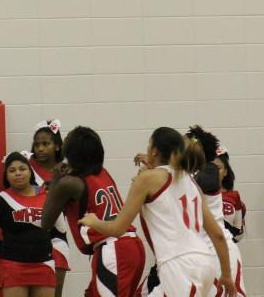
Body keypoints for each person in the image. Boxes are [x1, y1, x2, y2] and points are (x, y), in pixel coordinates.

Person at [80, 127, 236, 297]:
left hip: (179, 266)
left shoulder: (147, 179)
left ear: (154, 150)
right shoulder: (192, 183)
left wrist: (94, 222)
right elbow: (218, 235)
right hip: (205, 263)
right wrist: (227, 275)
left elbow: (118, 228)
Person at [42, 126, 145, 297]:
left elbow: (45, 221)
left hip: (113, 249)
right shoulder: (102, 172)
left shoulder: (69, 183)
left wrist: (55, 181)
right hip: (131, 246)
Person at [0, 152, 67, 297]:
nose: (18, 174)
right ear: (6, 176)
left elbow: (60, 230)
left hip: (44, 264)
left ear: (30, 171)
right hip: (13, 266)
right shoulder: (1, 201)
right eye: (12, 171)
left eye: (22, 169)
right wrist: (8, 249)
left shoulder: (47, 195)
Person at [184, 126, 247, 296]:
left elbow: (194, 182)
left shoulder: (210, 171)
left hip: (219, 250)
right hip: (201, 251)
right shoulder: (187, 174)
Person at [28, 119, 69, 297]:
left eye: (46, 144)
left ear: (57, 146)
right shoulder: (26, 167)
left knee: (55, 292)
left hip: (58, 236)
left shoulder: (66, 169)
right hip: (31, 236)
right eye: (37, 144)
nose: (41, 148)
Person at [216, 147, 246, 243]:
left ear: (225, 171)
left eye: (218, 168)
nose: (213, 172)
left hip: (227, 248)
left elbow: (239, 233)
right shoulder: (195, 195)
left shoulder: (234, 196)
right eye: (208, 168)